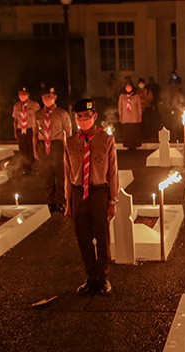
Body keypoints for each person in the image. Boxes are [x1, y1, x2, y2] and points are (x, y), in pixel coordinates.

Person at [64, 98, 118, 296]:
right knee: (83, 238)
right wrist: (68, 202)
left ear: (94, 116)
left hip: (98, 192)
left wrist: (113, 200)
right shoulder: (70, 142)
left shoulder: (106, 140)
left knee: (102, 238)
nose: (83, 120)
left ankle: (103, 278)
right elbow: (67, 174)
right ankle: (90, 277)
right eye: (79, 117)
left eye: (87, 116)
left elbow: (112, 172)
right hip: (78, 193)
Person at [33, 87, 72, 213]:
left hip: (57, 145)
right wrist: (35, 150)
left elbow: (68, 133)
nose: (46, 99)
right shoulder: (38, 114)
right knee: (47, 175)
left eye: (49, 97)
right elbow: (35, 134)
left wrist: (69, 149)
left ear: (55, 97)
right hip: (43, 146)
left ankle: (61, 201)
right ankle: (50, 201)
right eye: (44, 97)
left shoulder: (62, 114)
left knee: (60, 175)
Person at [12, 87, 41, 175]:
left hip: (30, 129)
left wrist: (38, 131)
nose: (22, 96)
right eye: (20, 94)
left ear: (28, 95)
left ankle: (33, 168)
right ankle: (26, 169)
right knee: (23, 150)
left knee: (32, 149)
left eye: (24, 94)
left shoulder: (34, 105)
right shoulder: (17, 106)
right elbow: (15, 120)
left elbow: (39, 119)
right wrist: (15, 132)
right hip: (20, 130)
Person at [118, 80, 142, 149]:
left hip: (134, 117)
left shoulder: (136, 96)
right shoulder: (122, 96)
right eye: (127, 87)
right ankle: (128, 145)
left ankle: (134, 145)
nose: (128, 88)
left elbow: (139, 107)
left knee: (134, 131)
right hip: (125, 117)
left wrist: (140, 116)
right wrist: (120, 115)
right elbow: (120, 106)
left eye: (130, 87)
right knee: (127, 132)